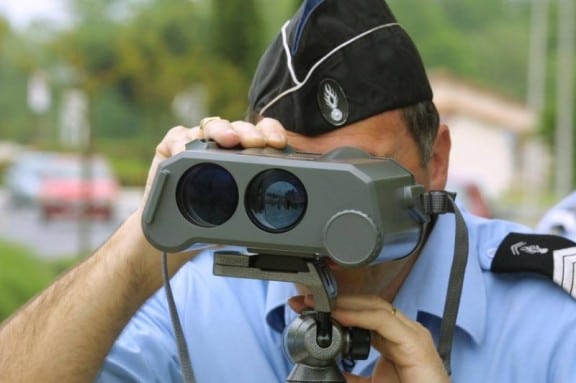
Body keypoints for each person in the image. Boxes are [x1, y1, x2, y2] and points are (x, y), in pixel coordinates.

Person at [1, 1, 575, 382]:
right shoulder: (198, 303)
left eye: (353, 181)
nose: (317, 223)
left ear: (436, 163)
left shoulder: (550, 320)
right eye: (289, 186)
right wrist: (140, 246)